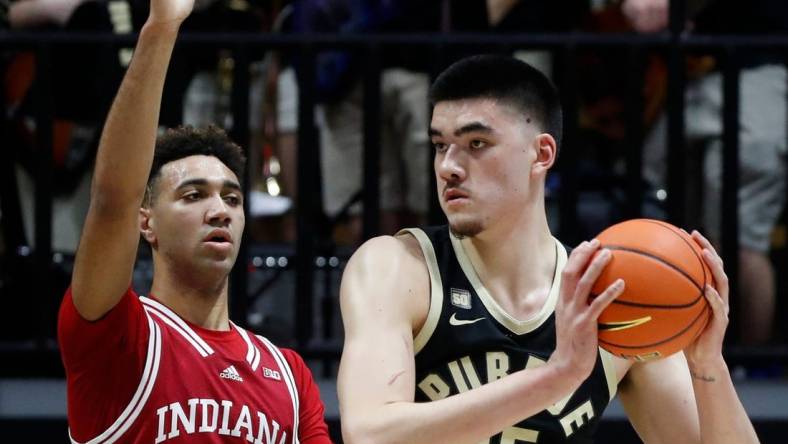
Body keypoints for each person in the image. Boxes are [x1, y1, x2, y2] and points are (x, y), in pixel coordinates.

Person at [336, 54, 758, 443]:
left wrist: (707, 366)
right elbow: (370, 434)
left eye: (476, 144)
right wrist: (556, 377)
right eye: (440, 145)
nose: (448, 166)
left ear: (542, 153)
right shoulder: (397, 268)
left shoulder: (611, 298)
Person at [56, 0, 331, 442]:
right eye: (193, 195)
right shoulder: (121, 334)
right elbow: (112, 201)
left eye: (232, 197)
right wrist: (161, 28)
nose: (219, 209)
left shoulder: (289, 374)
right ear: (146, 223)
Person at [624, 0, 787, 345]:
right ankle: (689, 352)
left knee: (740, 239)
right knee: (681, 225)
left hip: (761, 73)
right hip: (705, 74)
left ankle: (752, 366)